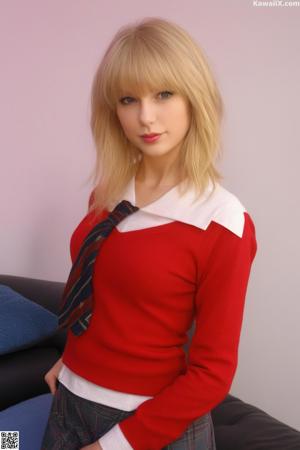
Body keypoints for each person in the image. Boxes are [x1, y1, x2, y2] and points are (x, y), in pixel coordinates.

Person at [41, 16, 258, 450]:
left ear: (194, 97)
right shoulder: (106, 195)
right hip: (70, 400)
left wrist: (115, 444)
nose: (146, 116)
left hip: (149, 425)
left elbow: (213, 374)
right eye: (128, 99)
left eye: (163, 94)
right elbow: (104, 291)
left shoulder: (222, 222)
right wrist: (71, 360)